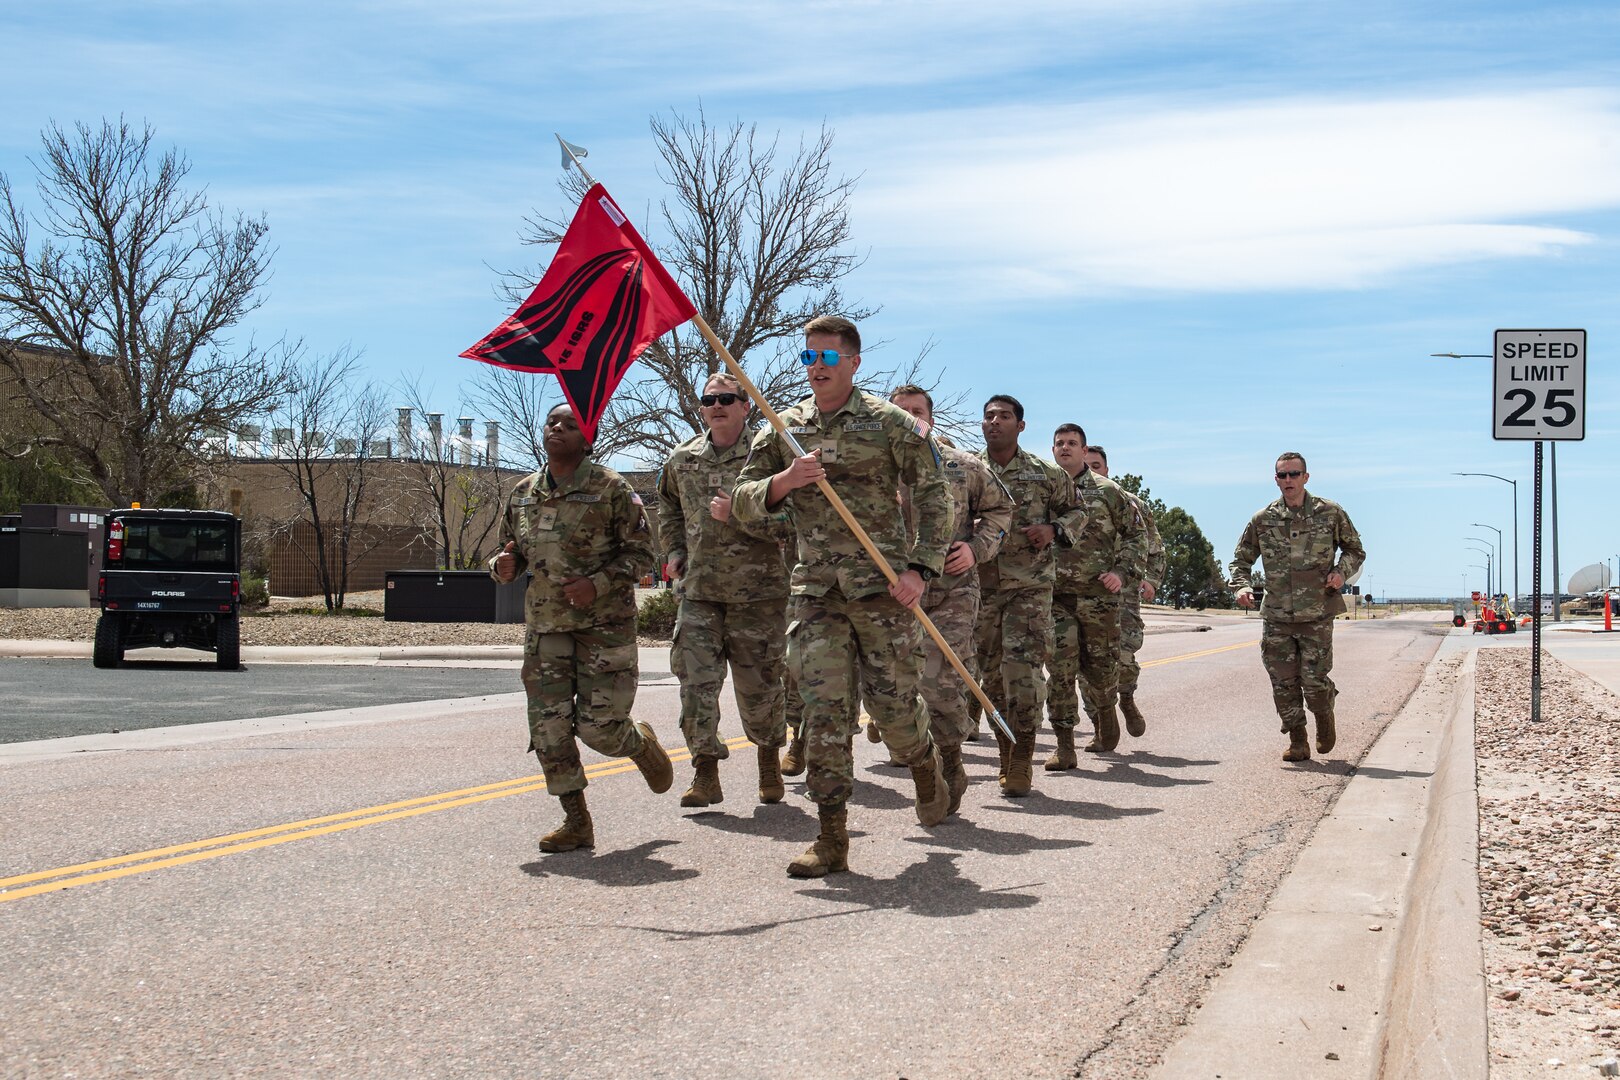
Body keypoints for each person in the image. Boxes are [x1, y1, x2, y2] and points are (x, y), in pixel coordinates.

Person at [733, 315, 954, 878]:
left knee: (893, 709)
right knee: (824, 712)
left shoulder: (890, 424)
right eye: (808, 358)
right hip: (816, 593)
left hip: (882, 590)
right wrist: (785, 480)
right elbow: (740, 500)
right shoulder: (785, 430)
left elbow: (936, 496)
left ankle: (924, 762)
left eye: (827, 358)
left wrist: (920, 569)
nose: (816, 369)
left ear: (853, 362)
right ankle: (831, 836)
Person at [491, 404, 674, 852]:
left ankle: (639, 743)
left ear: (586, 437)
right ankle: (576, 821)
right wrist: (502, 566)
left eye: (569, 424)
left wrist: (598, 584)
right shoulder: (523, 492)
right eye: (552, 422)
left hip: (603, 628)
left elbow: (642, 556)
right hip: (546, 628)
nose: (557, 429)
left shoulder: (611, 488)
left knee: (600, 729)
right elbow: (504, 552)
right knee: (548, 728)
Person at [657, 371, 794, 808]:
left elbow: (793, 523)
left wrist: (737, 517)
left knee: (760, 688)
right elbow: (669, 510)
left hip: (759, 595)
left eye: (728, 399)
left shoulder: (769, 456)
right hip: (699, 593)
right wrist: (675, 550)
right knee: (695, 685)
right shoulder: (682, 459)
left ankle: (769, 762)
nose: (717, 406)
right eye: (709, 400)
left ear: (745, 405)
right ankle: (705, 771)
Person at [888, 384, 1013, 813]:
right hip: (889, 594)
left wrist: (976, 547)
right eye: (899, 411)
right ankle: (922, 756)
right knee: (894, 689)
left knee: (939, 681)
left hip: (950, 591)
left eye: (916, 411)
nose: (909, 418)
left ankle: (949, 764)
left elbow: (1001, 511)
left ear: (931, 417)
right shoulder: (872, 468)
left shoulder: (962, 465)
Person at [975, 396, 1084, 795]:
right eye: (988, 416)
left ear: (1020, 426)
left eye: (1004, 416)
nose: (994, 422)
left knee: (1023, 674)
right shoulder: (968, 469)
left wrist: (1054, 529)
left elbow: (1078, 510)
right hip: (981, 589)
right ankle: (1005, 750)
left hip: (1030, 588)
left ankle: (1022, 756)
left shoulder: (1045, 473)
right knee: (991, 679)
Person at [1229, 452, 1366, 762]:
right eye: (1282, 475)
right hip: (1277, 614)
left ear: (1306, 477)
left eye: (1294, 474)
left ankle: (1324, 715)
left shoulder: (1330, 513)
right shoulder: (1262, 519)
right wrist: (1242, 586)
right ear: (1275, 479)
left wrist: (1341, 572)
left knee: (1314, 682)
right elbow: (1240, 559)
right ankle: (1298, 740)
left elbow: (1355, 550)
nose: (1288, 480)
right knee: (1283, 682)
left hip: (1317, 613)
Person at [1047, 426, 1145, 762]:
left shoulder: (1109, 491)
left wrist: (1121, 572)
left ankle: (1106, 710)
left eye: (1072, 443)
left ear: (1083, 449)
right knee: (1060, 670)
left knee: (1100, 670)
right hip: (1054, 597)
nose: (1065, 448)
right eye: (1059, 443)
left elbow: (1136, 537)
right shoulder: (1044, 489)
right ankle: (1064, 745)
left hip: (1098, 598)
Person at [1083, 445, 1165, 738]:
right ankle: (1100, 726)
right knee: (1086, 663)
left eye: (1096, 465)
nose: (1091, 470)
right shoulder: (1064, 500)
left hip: (1124, 595)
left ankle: (1127, 698)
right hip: (1083, 594)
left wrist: (1151, 580)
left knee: (1123, 655)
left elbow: (1154, 548)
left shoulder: (1131, 504)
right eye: (1086, 465)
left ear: (1106, 470)